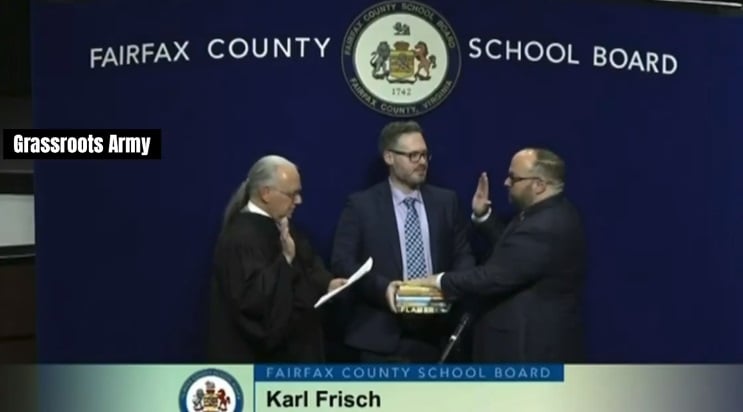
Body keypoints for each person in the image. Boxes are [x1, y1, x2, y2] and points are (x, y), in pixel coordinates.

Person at [406, 148, 587, 362]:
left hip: (528, 353)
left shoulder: (546, 225)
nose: (506, 183)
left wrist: (438, 281)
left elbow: (494, 277)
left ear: (539, 185)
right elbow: (518, 255)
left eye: (514, 178)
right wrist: (484, 217)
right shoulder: (549, 212)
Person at [331, 120, 475, 363]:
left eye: (425, 155)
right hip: (380, 338)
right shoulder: (361, 206)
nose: (422, 162)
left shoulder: (446, 202)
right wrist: (383, 288)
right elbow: (342, 262)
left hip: (437, 336)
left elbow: (463, 255)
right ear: (389, 157)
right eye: (413, 155)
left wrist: (451, 287)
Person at [206, 155, 347, 363]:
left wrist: (327, 284)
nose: (299, 201)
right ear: (266, 193)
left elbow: (308, 266)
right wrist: (285, 260)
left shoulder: (282, 227)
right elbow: (253, 302)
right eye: (292, 194)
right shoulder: (241, 238)